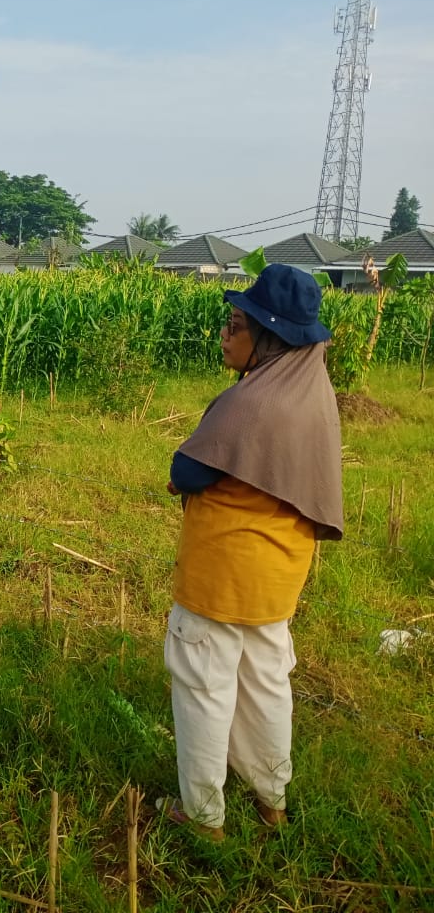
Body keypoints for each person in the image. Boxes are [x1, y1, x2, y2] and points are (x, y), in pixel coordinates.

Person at [157, 263, 344, 842]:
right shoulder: (315, 394)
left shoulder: (253, 402)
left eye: (235, 325)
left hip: (221, 576)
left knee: (204, 687)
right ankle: (271, 801)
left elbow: (188, 469)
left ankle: (203, 817)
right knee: (266, 687)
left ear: (268, 336)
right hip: (277, 579)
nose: (225, 335)